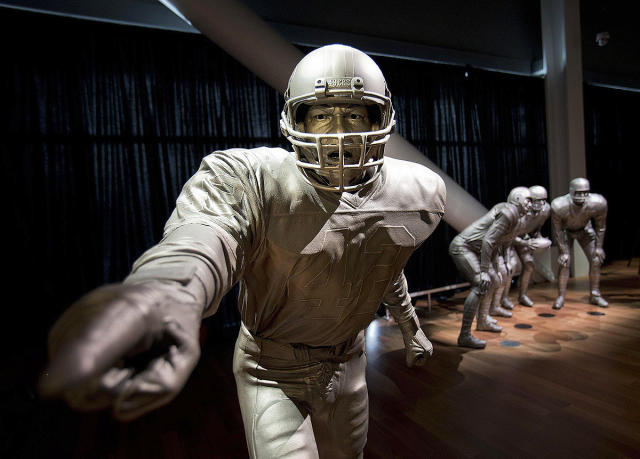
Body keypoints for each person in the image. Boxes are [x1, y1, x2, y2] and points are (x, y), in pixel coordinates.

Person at [39, 44, 446, 458]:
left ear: (380, 118)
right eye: (322, 115)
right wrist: (170, 288)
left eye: (354, 114)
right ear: (297, 118)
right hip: (273, 370)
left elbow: (380, 260)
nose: (338, 133)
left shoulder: (415, 192)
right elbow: (207, 232)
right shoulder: (254, 178)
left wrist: (411, 327)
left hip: (351, 360)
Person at [448, 187, 532, 349]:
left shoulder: (514, 216)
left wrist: (494, 269)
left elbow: (496, 243)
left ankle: (483, 320)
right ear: (517, 200)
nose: (531, 203)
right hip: (463, 248)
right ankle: (464, 335)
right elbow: (488, 241)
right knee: (481, 284)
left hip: (474, 249)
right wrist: (485, 271)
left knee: (494, 280)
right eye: (528, 199)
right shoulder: (509, 213)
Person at [550, 178, 608, 309]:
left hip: (585, 230)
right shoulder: (559, 205)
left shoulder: (598, 203)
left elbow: (601, 227)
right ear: (570, 192)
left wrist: (598, 248)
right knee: (565, 262)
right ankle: (561, 296)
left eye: (585, 193)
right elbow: (558, 230)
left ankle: (595, 294)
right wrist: (563, 251)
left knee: (596, 259)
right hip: (566, 232)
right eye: (578, 193)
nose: (582, 197)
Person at [496, 185, 551, 309]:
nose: (541, 203)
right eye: (537, 200)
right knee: (511, 266)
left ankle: (522, 295)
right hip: (508, 240)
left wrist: (539, 239)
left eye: (544, 200)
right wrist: (525, 243)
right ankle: (504, 298)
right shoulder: (519, 212)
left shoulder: (546, 210)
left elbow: (536, 228)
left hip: (523, 238)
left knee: (529, 264)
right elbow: (508, 235)